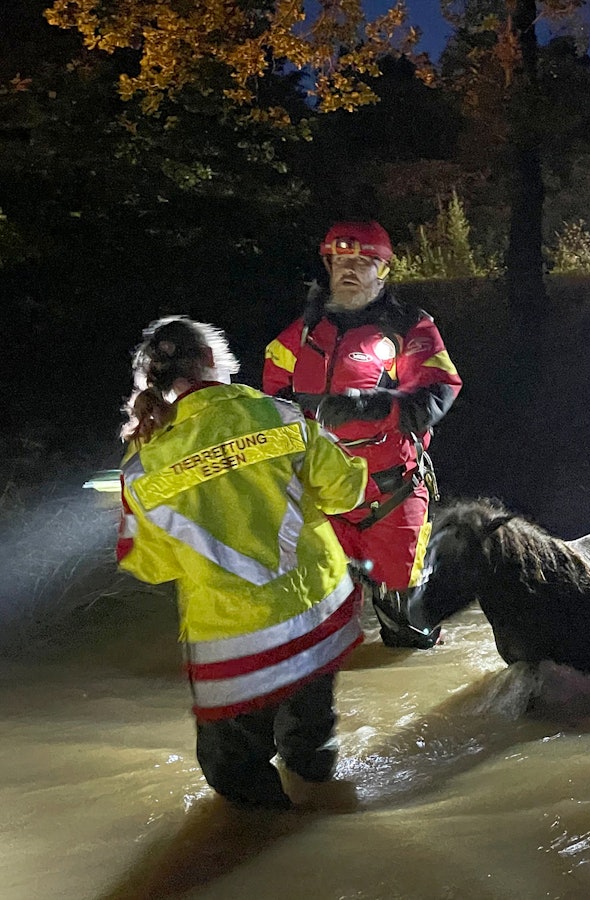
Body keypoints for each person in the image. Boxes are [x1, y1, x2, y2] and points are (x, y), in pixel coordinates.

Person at [117, 316, 369, 810]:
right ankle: (329, 833)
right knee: (311, 746)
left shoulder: (143, 466)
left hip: (235, 643)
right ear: (214, 361)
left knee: (235, 772)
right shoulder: (281, 416)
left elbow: (149, 565)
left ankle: (272, 859)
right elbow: (346, 492)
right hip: (318, 615)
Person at [263, 221, 462, 650]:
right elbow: (269, 398)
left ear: (383, 270)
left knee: (408, 629)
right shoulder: (300, 334)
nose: (349, 270)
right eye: (340, 261)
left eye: (362, 262)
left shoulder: (411, 327)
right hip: (320, 492)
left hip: (391, 492)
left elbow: (437, 393)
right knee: (312, 623)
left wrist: (369, 405)